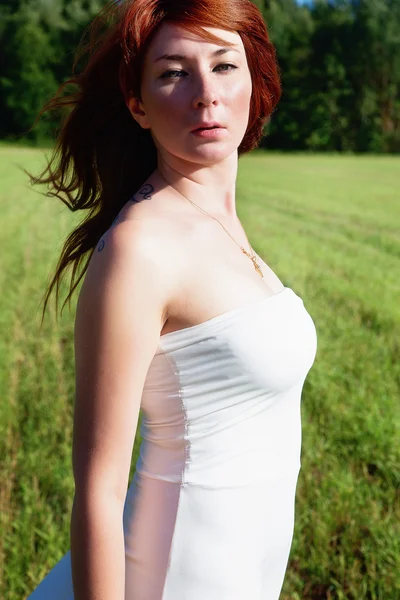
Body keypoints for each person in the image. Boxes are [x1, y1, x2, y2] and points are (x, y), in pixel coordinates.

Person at [27, 0, 318, 598]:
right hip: (173, 576)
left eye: (224, 65)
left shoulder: (220, 225)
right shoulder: (140, 249)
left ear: (255, 81)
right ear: (138, 104)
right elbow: (99, 492)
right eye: (172, 73)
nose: (206, 93)